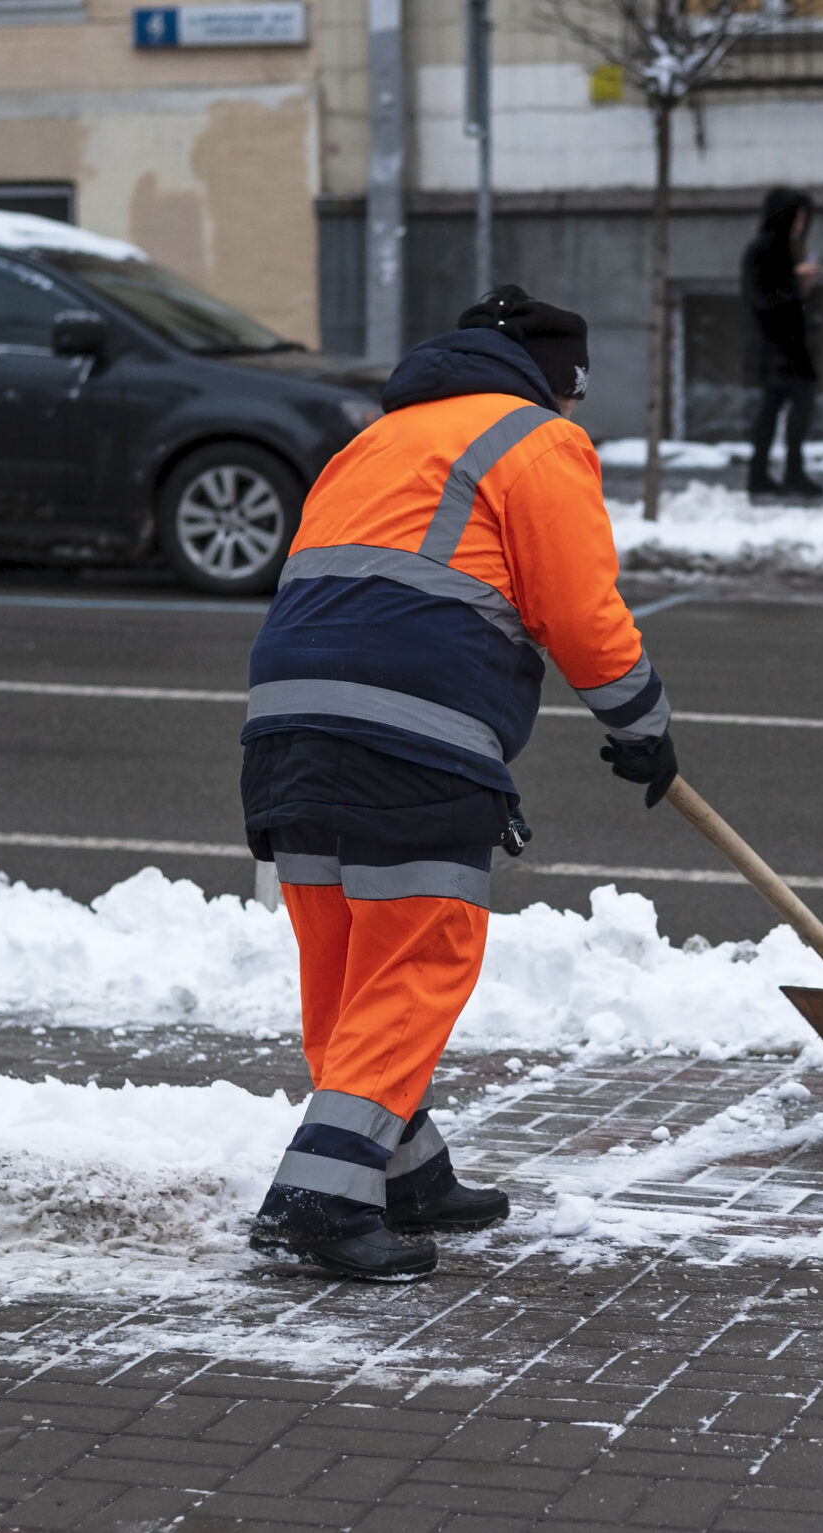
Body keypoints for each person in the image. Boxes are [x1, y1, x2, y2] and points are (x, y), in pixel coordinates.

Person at [240, 284, 678, 1281]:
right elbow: (580, 612)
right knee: (416, 961)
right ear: (556, 382)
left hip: (284, 722)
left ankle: (404, 1167)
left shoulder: (378, 439)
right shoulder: (537, 441)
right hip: (412, 733)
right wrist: (645, 724)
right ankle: (318, 1198)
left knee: (347, 967)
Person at [741, 186, 823, 500]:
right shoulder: (766, 251)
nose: (801, 225)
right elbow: (766, 299)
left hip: (787, 346)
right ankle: (778, 474)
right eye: (798, 217)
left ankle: (770, 473)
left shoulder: (783, 250)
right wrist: (795, 280)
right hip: (778, 347)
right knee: (782, 411)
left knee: (779, 411)